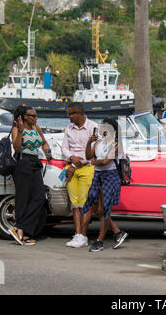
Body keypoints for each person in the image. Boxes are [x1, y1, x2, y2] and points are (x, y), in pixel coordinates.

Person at [8, 105, 52, 246]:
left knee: (39, 197)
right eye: (33, 115)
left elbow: (44, 142)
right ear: (24, 117)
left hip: (34, 162)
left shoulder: (36, 128)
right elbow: (16, 147)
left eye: (36, 115)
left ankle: (19, 227)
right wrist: (20, 131)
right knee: (23, 198)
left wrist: (48, 153)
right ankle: (22, 232)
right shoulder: (16, 129)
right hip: (22, 162)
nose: (36, 118)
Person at [82, 117, 128, 252]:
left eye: (102, 126)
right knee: (97, 210)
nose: (99, 128)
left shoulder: (116, 144)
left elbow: (105, 161)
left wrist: (94, 161)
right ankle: (117, 232)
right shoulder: (99, 142)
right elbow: (89, 156)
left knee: (105, 209)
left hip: (110, 176)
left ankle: (99, 241)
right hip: (98, 176)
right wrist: (89, 143)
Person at [61, 102, 98, 248]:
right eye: (68, 114)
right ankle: (77, 234)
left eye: (71, 114)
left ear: (80, 113)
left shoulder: (93, 127)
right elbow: (64, 147)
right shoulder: (68, 129)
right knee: (75, 204)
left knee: (85, 204)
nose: (69, 117)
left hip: (86, 167)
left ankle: (83, 235)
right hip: (71, 167)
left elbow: (93, 152)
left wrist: (75, 163)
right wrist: (71, 158)